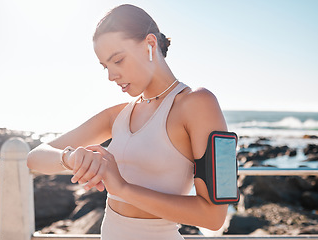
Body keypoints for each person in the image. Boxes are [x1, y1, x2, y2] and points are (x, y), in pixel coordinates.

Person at [27, 4, 229, 240]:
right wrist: (72, 158)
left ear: (150, 44)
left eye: (118, 60)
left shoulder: (198, 103)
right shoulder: (117, 115)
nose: (111, 76)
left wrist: (122, 188)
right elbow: (34, 157)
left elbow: (214, 218)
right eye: (105, 66)